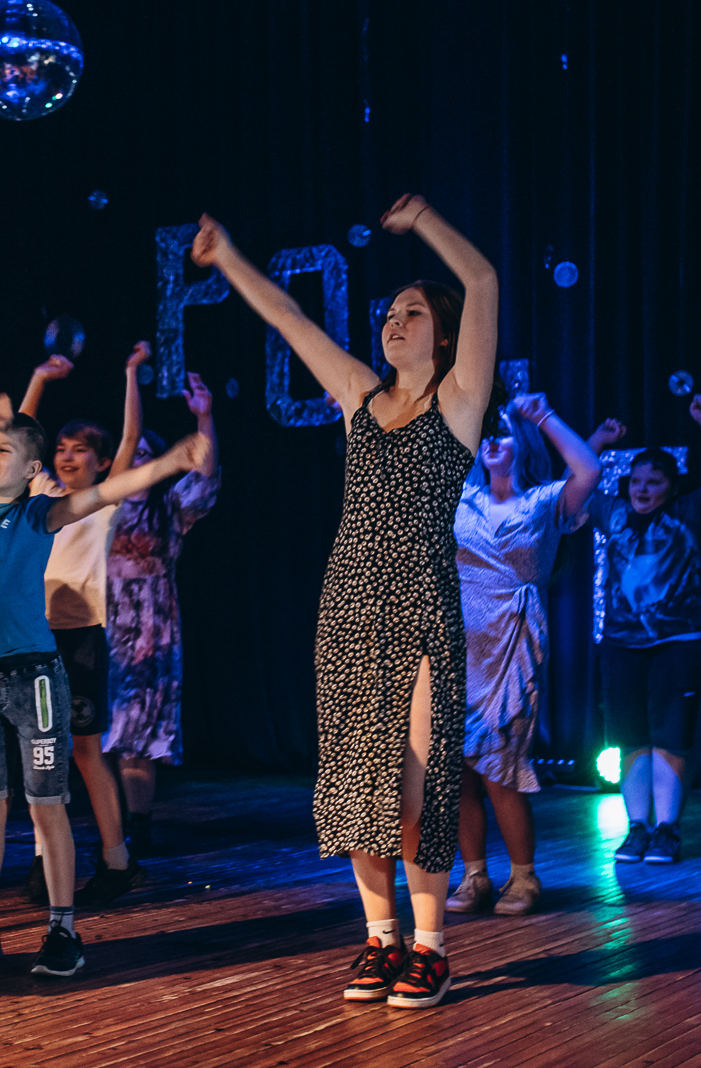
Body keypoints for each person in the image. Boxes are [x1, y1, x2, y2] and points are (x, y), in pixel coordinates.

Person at [193, 195, 497, 1010]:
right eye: (389, 314)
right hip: (350, 607)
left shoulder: (459, 401)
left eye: (412, 313)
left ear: (443, 333)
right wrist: (228, 258)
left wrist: (425, 219)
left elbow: (482, 278)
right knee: (360, 789)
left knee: (419, 787)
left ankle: (430, 946)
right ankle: (379, 936)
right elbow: (289, 319)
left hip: (422, 607)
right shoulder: (361, 393)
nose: (394, 323)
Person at [0, 391, 210, 980]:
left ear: (32, 470)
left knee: (46, 804)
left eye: (5, 451)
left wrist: (172, 462)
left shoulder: (38, 514)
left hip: (35, 680)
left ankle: (62, 928)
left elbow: (107, 490)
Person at [444, 393, 600, 917]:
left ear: (524, 444)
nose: (492, 440)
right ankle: (474, 876)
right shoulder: (461, 498)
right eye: (486, 432)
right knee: (456, 771)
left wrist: (543, 416)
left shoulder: (544, 502)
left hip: (511, 647)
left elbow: (589, 469)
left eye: (504, 432)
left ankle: (524, 876)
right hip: (456, 645)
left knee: (500, 766)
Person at [584, 396, 701, 866]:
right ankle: (638, 829)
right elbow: (579, 479)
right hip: (621, 645)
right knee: (630, 738)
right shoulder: (613, 514)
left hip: (676, 644)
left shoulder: (691, 512)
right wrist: (598, 440)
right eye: (636, 481)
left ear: (671, 487)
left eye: (653, 482)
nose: (642, 489)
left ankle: (667, 830)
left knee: (670, 738)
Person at [17, 343, 146, 905]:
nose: (67, 457)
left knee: (85, 751)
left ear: (99, 463)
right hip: (34, 637)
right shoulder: (43, 496)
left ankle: (118, 861)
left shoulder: (102, 502)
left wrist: (131, 373)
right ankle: (45, 857)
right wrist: (39, 379)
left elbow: (131, 439)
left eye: (80, 450)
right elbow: (19, 437)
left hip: (81, 639)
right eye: (62, 449)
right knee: (39, 751)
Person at [104, 370, 222, 854]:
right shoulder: (102, 507)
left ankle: (139, 824)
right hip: (102, 629)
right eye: (131, 456)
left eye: (145, 456)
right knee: (102, 734)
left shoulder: (167, 508)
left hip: (149, 632)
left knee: (136, 734)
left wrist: (204, 419)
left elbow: (204, 481)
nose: (137, 462)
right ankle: (113, 826)